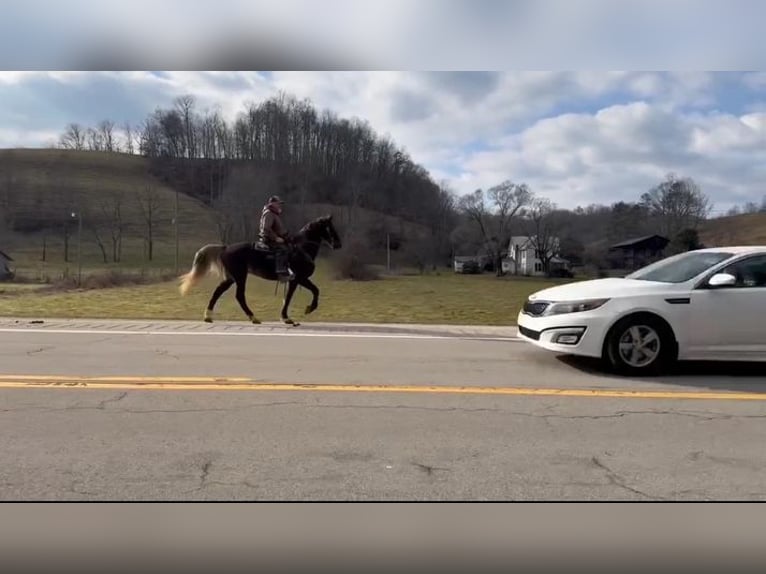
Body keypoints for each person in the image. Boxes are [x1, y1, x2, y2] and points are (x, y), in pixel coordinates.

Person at [258, 195, 295, 282]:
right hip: (268, 239)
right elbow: (266, 228)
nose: (279, 205)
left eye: (280, 204)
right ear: (272, 203)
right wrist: (275, 238)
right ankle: (280, 272)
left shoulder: (274, 213)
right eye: (278, 203)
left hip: (276, 238)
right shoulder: (269, 213)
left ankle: (288, 269)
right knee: (283, 250)